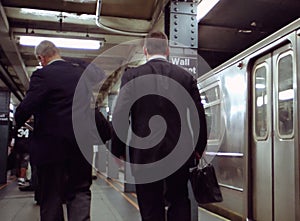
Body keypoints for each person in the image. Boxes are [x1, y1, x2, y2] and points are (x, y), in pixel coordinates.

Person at [111, 31, 207, 221]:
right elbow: (198, 116)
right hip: (179, 154)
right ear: (168, 50)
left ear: (145, 51)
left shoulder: (132, 76)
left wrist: (118, 149)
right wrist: (198, 147)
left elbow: (120, 115)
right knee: (179, 201)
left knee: (150, 206)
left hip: (144, 155)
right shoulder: (185, 77)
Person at [14, 40, 110, 221]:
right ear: (57, 53)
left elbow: (25, 109)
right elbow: (99, 73)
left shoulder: (42, 75)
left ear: (41, 58)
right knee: (80, 192)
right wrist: (71, 60)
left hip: (50, 151)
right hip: (80, 148)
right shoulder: (81, 74)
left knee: (51, 198)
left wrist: (16, 123)